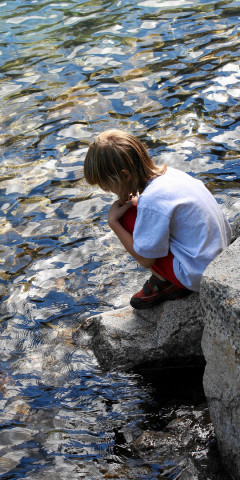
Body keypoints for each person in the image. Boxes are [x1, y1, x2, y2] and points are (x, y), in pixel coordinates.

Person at [84, 129, 232, 309]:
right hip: (219, 256)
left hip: (198, 274)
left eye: (107, 185)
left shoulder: (151, 201)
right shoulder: (171, 175)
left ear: (124, 175)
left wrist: (113, 223)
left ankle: (165, 283)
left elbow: (146, 260)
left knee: (128, 217)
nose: (108, 191)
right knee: (137, 209)